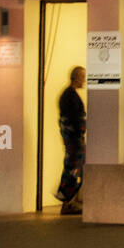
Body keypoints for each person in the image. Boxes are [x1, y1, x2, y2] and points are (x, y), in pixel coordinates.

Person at [55, 66, 86, 215]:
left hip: (71, 138)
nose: (84, 80)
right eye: (83, 77)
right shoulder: (70, 96)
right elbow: (74, 118)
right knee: (73, 167)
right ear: (76, 77)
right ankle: (68, 201)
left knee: (73, 166)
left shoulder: (67, 95)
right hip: (74, 139)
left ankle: (70, 200)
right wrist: (79, 133)